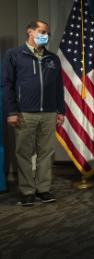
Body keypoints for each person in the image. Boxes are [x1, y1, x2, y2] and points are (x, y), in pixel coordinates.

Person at [2, 20, 65, 206]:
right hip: (24, 113)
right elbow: (7, 85)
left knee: (46, 153)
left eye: (47, 32)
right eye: (41, 31)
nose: (45, 35)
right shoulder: (14, 55)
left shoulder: (53, 58)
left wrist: (60, 111)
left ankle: (43, 189)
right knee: (24, 153)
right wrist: (12, 111)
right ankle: (27, 191)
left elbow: (58, 87)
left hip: (49, 113)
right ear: (30, 31)